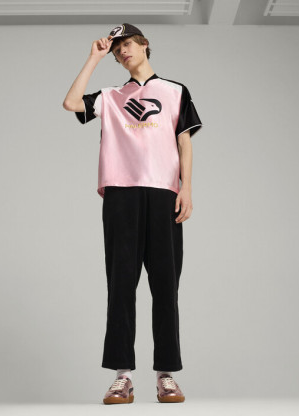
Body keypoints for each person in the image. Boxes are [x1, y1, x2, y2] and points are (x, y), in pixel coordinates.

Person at [62, 23, 203, 404]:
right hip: (120, 195)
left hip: (163, 194)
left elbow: (184, 141)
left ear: (144, 45)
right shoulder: (110, 96)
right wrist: (94, 58)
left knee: (165, 287)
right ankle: (122, 376)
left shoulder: (175, 91)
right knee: (121, 285)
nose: (122, 51)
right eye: (116, 49)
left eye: (127, 44)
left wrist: (186, 188)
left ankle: (166, 375)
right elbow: (71, 103)